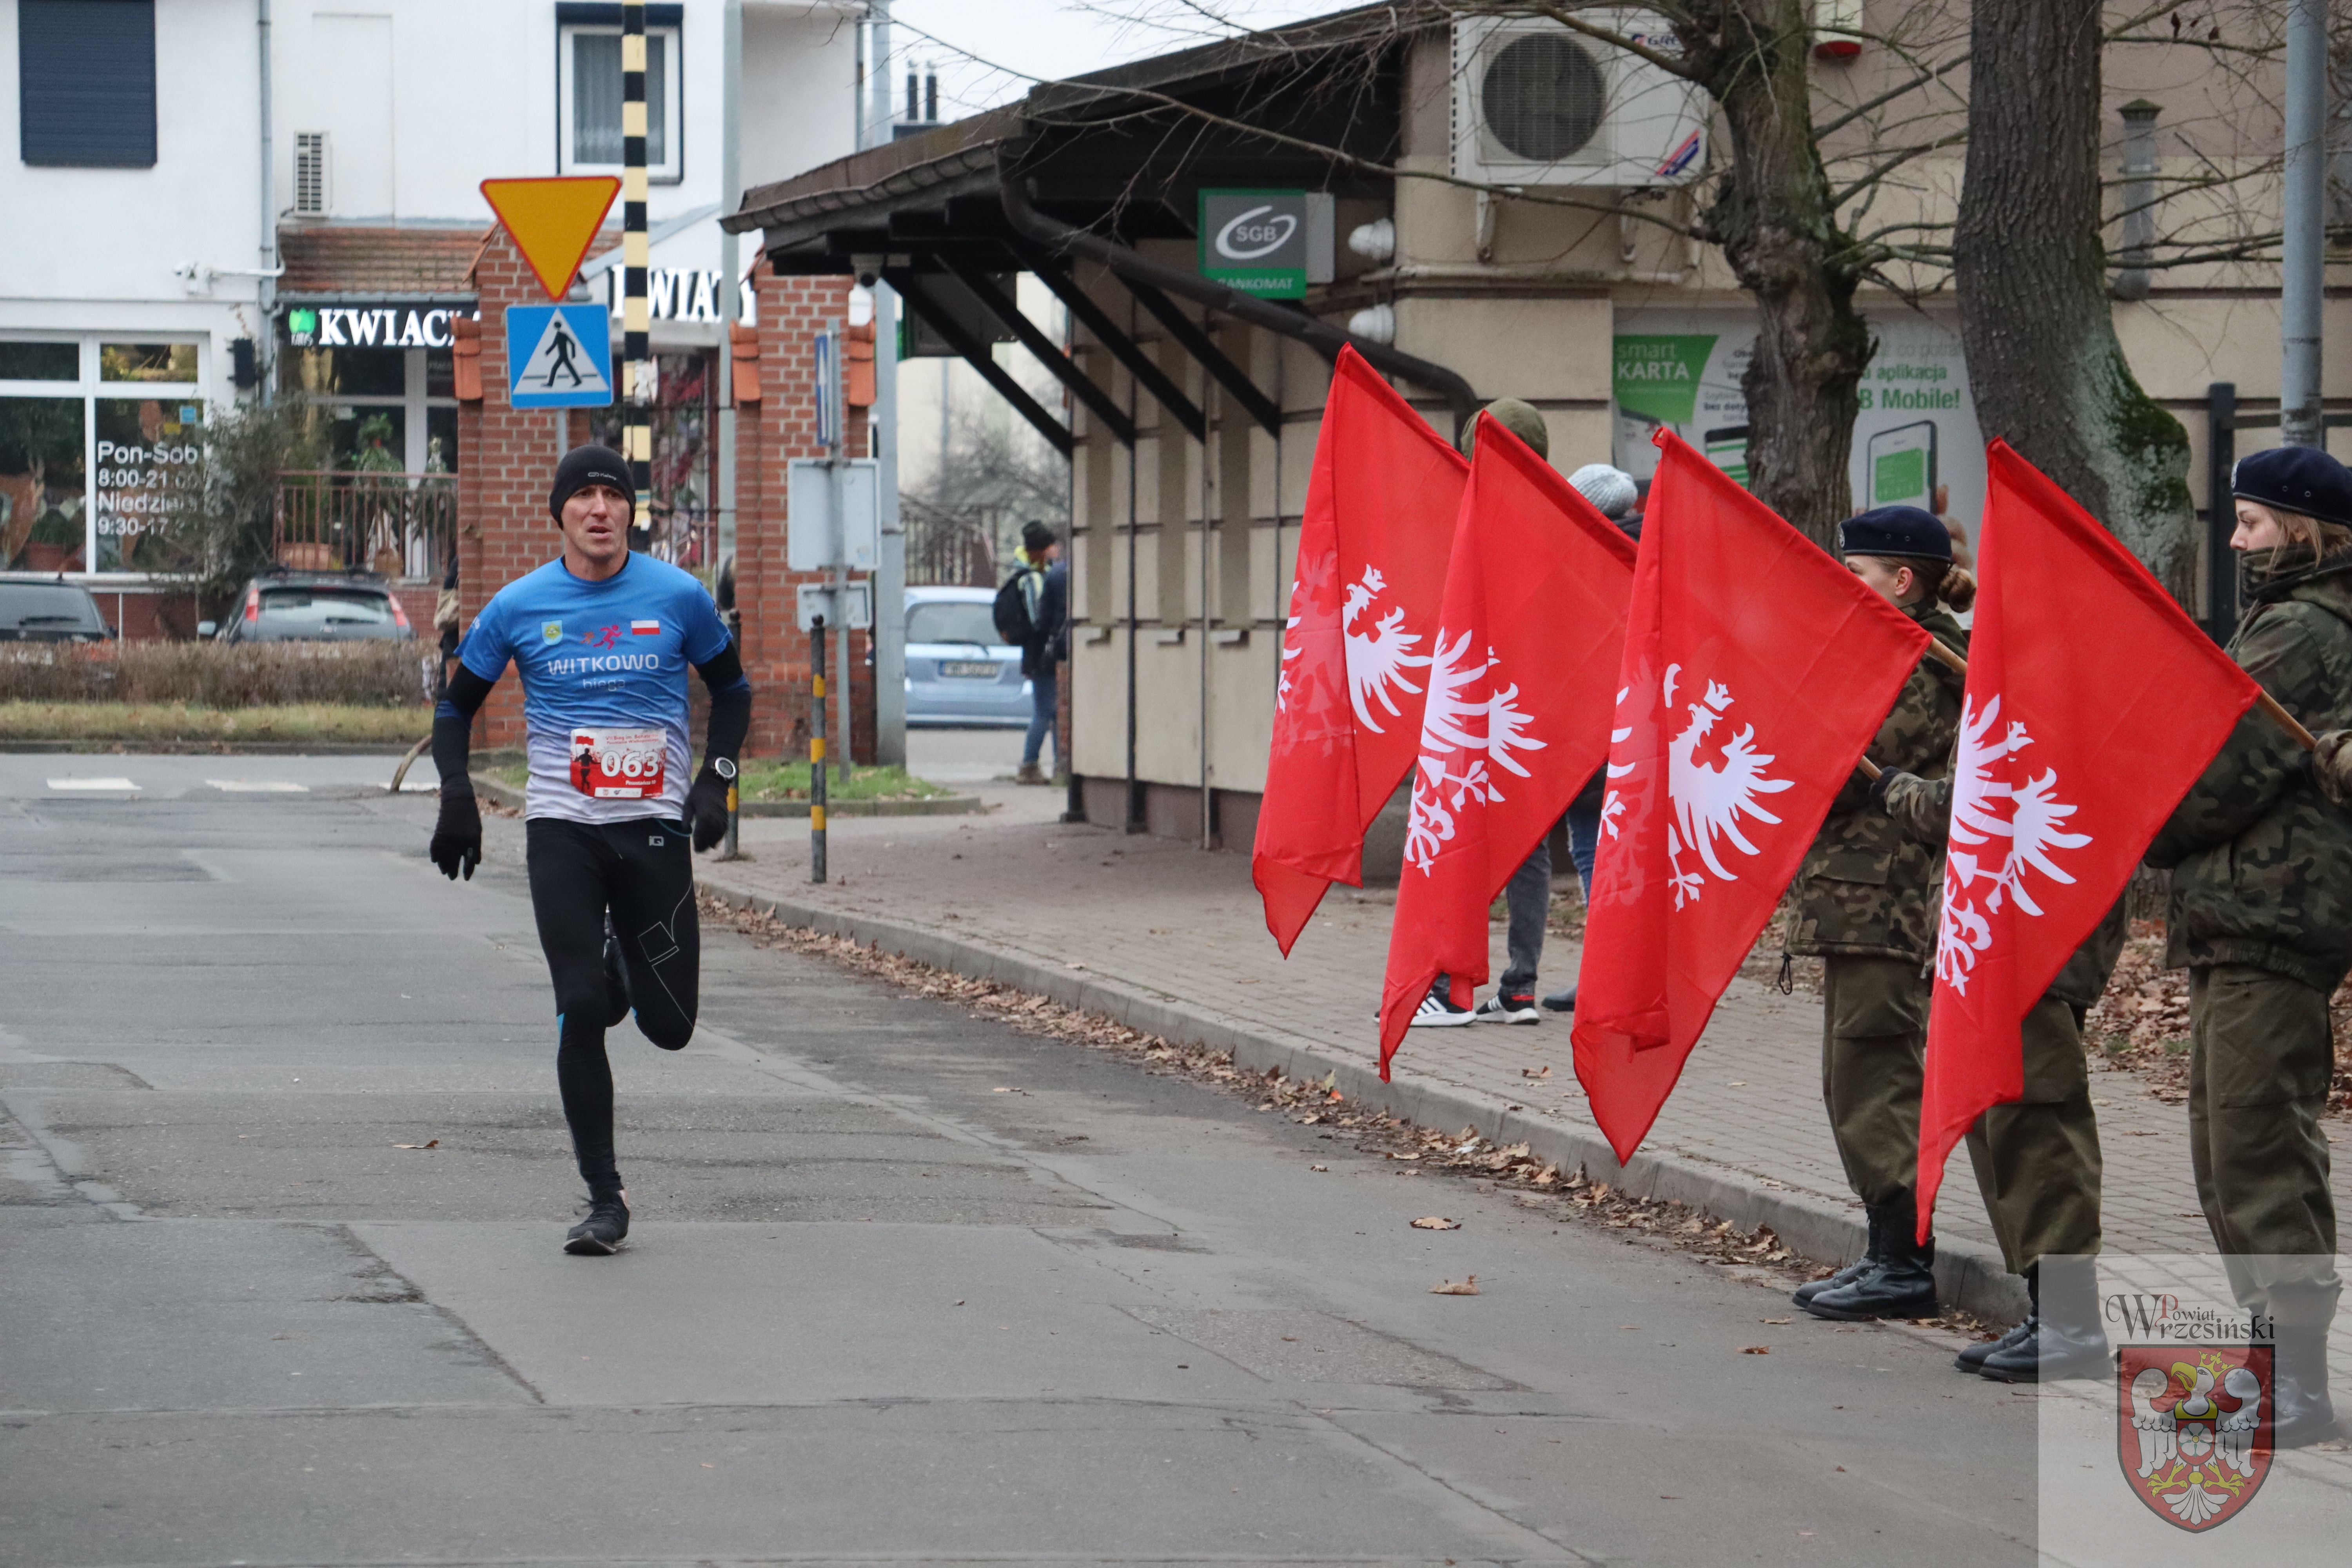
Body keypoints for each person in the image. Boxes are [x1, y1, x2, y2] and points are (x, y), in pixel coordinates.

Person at [427, 445, 751, 1258]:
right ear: (561, 513)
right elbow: (454, 708)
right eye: (585, 496)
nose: (600, 508)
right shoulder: (518, 605)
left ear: (631, 512)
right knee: (578, 1004)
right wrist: (459, 797)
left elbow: (734, 691)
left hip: (653, 831)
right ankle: (604, 1196)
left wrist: (715, 784)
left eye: (615, 494)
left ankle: (620, 971)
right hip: (563, 830)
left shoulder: (678, 596)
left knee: (669, 1027)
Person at [2144, 444, 2352, 1446]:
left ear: (2308, 532)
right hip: (2243, 922)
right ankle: (2268, 1366)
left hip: (2277, 920)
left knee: (2261, 1150)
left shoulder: (2306, 630)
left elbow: (2216, 774)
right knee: (2226, 1152)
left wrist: (2138, 818)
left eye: (2253, 524)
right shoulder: (2283, 621)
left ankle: (2297, 1385)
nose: (2234, 540)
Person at [1872, 761, 2123, 1381]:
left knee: (2035, 1119)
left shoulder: (2046, 673)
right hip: (1996, 917)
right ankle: (2053, 1315)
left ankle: (2070, 1324)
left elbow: (1976, 800)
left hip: (2031, 914)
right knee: (2003, 1122)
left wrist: (1896, 790)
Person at [1786, 505, 1971, 1322]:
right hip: (1855, 900)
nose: (1839, 586)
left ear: (1902, 580)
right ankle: (1885, 1245)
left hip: (1890, 903)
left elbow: (1848, 749)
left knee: (1878, 1075)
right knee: (1850, 1077)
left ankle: (1905, 1257)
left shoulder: (1929, 664)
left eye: (1853, 573)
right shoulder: (1884, 650)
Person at [1411, 399, 1557, 1028]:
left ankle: (1448, 987)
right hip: (1537, 706)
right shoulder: (1560, 519)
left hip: (1476, 701)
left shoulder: (1471, 513)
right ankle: (1519, 989)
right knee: (1529, 845)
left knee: (1456, 835)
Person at [1541, 462, 1642, 1016]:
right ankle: (1627, 972)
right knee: (1628, 853)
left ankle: (1606, 976)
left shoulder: (1593, 560)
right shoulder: (1652, 551)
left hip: (1596, 726)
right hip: (1643, 724)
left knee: (1592, 850)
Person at [1013, 521, 1067, 785]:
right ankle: (1030, 765)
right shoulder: (1035, 578)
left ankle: (1058, 764)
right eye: (1051, 547)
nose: (1056, 551)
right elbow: (1039, 621)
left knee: (1053, 712)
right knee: (1046, 712)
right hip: (1042, 654)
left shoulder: (1036, 573)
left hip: (1039, 653)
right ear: (1043, 550)